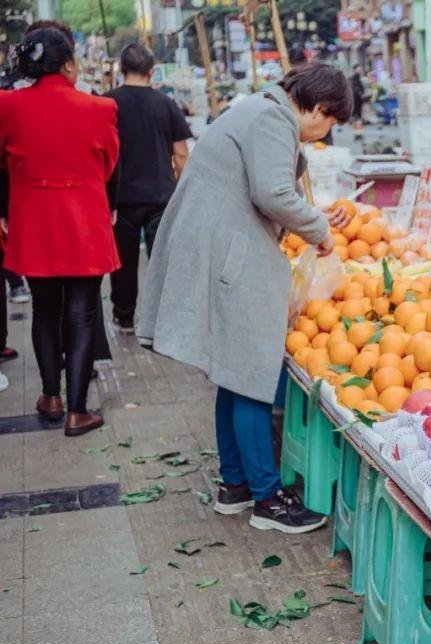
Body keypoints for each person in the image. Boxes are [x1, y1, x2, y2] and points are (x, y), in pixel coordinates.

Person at [138, 63, 352, 534]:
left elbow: (272, 184)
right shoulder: (274, 119)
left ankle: (234, 485)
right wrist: (318, 230)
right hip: (229, 251)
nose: (322, 136)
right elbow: (272, 191)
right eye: (329, 125)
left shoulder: (261, 109)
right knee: (253, 371)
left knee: (233, 371)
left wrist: (313, 215)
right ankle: (267, 499)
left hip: (220, 244)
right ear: (317, 108)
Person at [0, 27, 120, 435]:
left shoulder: (8, 106)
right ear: (69, 64)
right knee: (83, 313)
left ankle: (50, 395)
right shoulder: (99, 108)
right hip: (83, 220)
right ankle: (77, 410)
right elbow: (107, 164)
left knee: (44, 308)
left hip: (33, 221)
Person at [105, 43, 193, 334]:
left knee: (124, 261)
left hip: (121, 197)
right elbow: (181, 153)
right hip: (161, 195)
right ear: (151, 71)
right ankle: (162, 319)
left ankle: (124, 316)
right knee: (162, 260)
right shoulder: (165, 104)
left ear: (121, 68)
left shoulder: (107, 104)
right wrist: (185, 191)